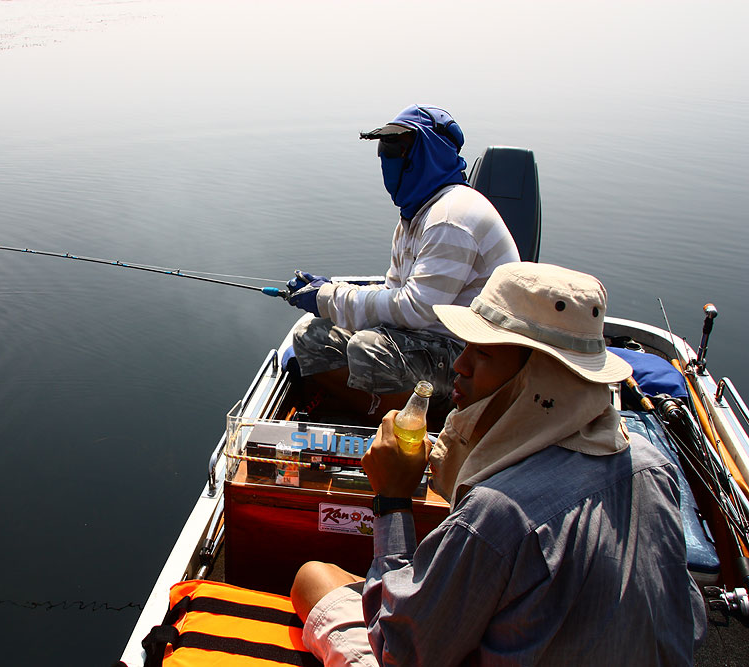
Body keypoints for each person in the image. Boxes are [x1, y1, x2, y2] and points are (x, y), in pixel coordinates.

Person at [289, 262, 707, 666]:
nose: (459, 365)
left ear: (539, 380)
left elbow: (401, 653)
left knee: (314, 578)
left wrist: (393, 500)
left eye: (483, 354)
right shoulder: (654, 467)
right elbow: (689, 620)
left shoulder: (499, 513)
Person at [285, 104, 520, 421]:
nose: (387, 158)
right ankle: (374, 412)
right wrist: (330, 291)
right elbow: (396, 290)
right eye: (384, 149)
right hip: (430, 340)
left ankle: (413, 429)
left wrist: (330, 297)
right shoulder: (416, 216)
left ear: (428, 153)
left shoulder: (450, 218)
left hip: (471, 354)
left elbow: (415, 310)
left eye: (396, 149)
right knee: (311, 335)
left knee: (369, 350)